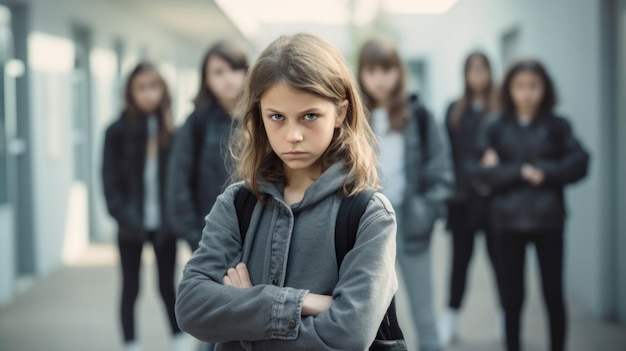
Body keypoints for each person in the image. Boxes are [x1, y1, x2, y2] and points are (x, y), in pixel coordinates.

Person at [175, 33, 399, 350]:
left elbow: (348, 335)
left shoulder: (369, 214)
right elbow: (190, 307)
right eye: (277, 117)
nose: (293, 135)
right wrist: (301, 303)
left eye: (309, 116)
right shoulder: (237, 204)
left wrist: (245, 313)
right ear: (260, 117)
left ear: (339, 112)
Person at [471, 59, 589, 351]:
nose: (526, 93)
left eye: (533, 86)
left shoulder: (558, 125)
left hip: (549, 221)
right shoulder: (495, 126)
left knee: (553, 294)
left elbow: (580, 161)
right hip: (506, 222)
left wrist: (545, 173)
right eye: (520, 86)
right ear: (509, 89)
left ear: (544, 89)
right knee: (513, 297)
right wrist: (520, 171)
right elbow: (478, 171)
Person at [357, 37, 453, 351]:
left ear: (398, 72)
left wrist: (426, 213)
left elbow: (441, 171)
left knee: (425, 318)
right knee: (369, 322)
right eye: (372, 70)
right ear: (361, 73)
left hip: (412, 225)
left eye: (386, 70)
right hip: (367, 229)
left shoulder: (420, 114)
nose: (380, 79)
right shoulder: (352, 116)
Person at [102, 62, 189, 351]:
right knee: (130, 288)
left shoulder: (173, 132)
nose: (148, 94)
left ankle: (179, 340)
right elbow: (109, 182)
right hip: (131, 226)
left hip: (165, 226)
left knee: (167, 287)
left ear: (163, 90)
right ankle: (130, 344)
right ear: (130, 92)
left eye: (154, 86)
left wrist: (173, 220)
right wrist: (125, 217)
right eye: (141, 88)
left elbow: (179, 182)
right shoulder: (116, 131)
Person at [439, 51, 504, 345]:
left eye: (482, 69)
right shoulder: (454, 109)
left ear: (490, 72)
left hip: (494, 202)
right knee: (459, 264)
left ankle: (506, 321)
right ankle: (450, 320)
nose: (477, 75)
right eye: (472, 69)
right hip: (463, 202)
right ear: (465, 74)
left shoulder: (502, 109)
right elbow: (449, 156)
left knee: (502, 263)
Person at [167, 41, 248, 253]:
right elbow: (178, 187)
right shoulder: (196, 124)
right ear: (206, 79)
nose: (228, 78)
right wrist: (198, 240)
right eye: (218, 72)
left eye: (235, 69)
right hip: (211, 237)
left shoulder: (262, 118)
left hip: (256, 236)